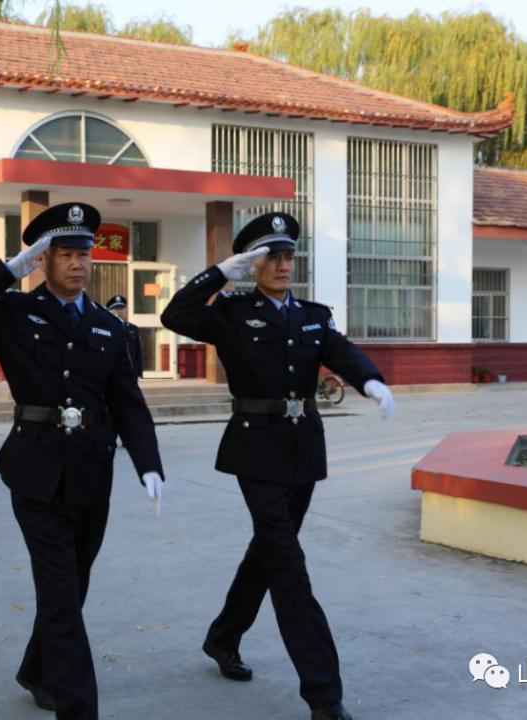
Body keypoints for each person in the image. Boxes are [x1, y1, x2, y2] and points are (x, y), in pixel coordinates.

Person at [160, 212, 395, 720]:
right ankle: (324, 696)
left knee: (268, 553)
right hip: (255, 449)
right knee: (289, 569)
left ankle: (223, 638)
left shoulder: (313, 313)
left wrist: (370, 380)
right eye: (272, 256)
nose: (284, 265)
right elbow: (174, 316)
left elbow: (340, 349)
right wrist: (222, 273)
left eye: (289, 256)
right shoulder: (231, 311)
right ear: (254, 262)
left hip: (304, 450)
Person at [0, 202, 164, 720]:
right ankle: (78, 708)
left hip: (91, 471)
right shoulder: (12, 314)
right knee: (61, 594)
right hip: (35, 472)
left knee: (73, 586)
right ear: (43, 260)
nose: (78, 264)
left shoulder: (113, 329)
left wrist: (149, 464)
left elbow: (127, 401)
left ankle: (36, 670)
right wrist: (8, 270)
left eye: (84, 254)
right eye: (64, 254)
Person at [105, 294, 143, 381]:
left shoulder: (133, 329)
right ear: (109, 311)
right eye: (116, 309)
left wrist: (139, 373)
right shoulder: (105, 329)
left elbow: (137, 353)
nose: (119, 311)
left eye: (122, 308)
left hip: (130, 373)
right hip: (112, 375)